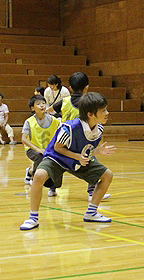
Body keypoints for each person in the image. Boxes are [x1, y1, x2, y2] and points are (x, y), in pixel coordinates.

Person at [20, 92, 116, 230]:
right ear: (90, 114)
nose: (107, 113)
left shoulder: (99, 129)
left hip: (77, 159)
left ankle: (91, 213)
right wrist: (77, 157)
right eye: (103, 110)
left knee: (107, 175)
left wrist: (97, 151)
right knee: (39, 176)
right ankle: (33, 218)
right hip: (57, 157)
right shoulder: (70, 128)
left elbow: (87, 150)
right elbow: (58, 148)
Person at [50, 72, 111, 201]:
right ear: (86, 87)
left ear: (70, 88)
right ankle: (91, 191)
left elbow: (50, 110)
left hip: (65, 138)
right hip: (80, 139)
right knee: (90, 159)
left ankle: (52, 188)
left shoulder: (65, 101)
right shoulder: (90, 104)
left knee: (58, 161)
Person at [22, 95, 61, 187]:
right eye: (38, 104)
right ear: (32, 108)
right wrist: (37, 149)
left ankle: (53, 187)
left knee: (58, 159)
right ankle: (33, 176)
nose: (42, 105)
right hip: (32, 149)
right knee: (40, 156)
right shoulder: (29, 121)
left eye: (43, 103)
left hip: (48, 149)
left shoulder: (53, 120)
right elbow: (23, 139)